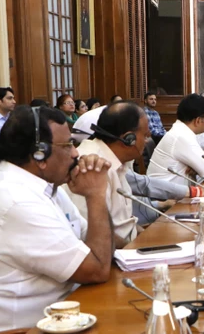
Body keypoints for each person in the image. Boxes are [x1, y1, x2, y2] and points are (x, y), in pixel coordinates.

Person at [0, 106, 114, 333]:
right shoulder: (16, 200)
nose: (76, 154)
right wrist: (95, 195)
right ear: (39, 154)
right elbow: (97, 270)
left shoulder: (43, 186)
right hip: (22, 329)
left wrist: (94, 196)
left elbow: (99, 245)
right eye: (68, 145)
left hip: (65, 314)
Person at [61, 102, 145, 248]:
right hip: (112, 257)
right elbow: (91, 235)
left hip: (127, 250)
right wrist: (133, 251)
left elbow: (123, 225)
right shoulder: (90, 166)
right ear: (128, 139)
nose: (147, 141)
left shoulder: (117, 161)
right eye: (145, 135)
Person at [147, 94, 204, 186]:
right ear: (198, 120)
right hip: (165, 197)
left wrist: (196, 168)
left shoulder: (180, 131)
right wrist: (198, 168)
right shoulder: (181, 136)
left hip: (171, 193)